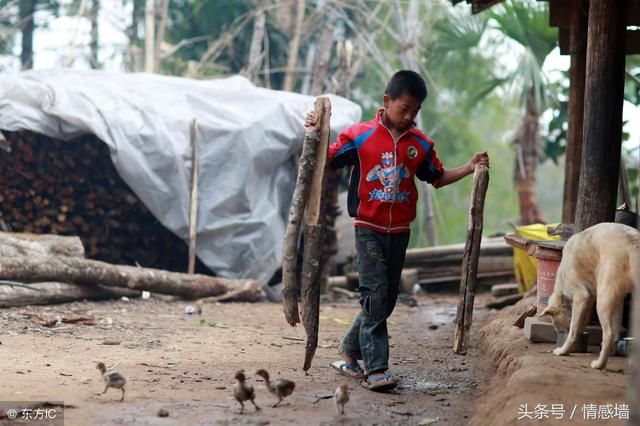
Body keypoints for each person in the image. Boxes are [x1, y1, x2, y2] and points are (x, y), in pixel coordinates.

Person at [305, 70, 489, 392]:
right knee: (375, 295)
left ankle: (350, 350)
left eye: (415, 111)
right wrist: (314, 131)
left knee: (386, 299)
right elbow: (327, 159)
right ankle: (376, 369)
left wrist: (470, 167)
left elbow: (438, 177)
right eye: (404, 109)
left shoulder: (419, 145)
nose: (409, 117)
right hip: (368, 229)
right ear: (386, 101)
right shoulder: (360, 137)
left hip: (400, 231)